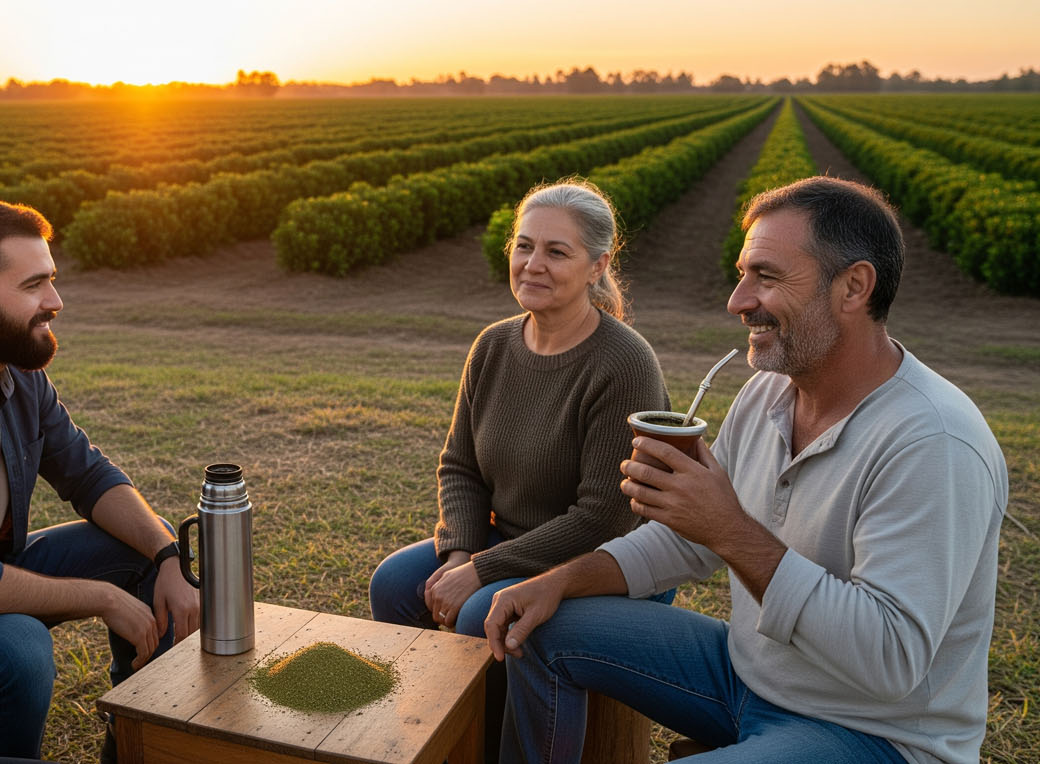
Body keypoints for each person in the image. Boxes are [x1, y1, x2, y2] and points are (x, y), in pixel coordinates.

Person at [485, 176, 1007, 764]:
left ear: (854, 287)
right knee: (537, 625)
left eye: (768, 276)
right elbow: (683, 541)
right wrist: (559, 580)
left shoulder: (932, 441)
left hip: (873, 732)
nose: (738, 300)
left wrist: (729, 527)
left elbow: (891, 662)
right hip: (745, 677)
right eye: (742, 274)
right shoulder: (768, 394)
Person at [0, 198, 200, 759]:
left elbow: (88, 473)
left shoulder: (19, 377)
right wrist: (99, 597)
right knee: (18, 646)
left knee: (136, 552)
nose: (55, 302)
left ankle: (142, 747)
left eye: (51, 281)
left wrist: (169, 555)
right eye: (34, 285)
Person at [370, 179, 670, 637]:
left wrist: (480, 571)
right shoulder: (492, 346)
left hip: (602, 560)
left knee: (477, 612)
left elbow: (604, 518)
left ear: (597, 266)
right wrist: (458, 554)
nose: (533, 265)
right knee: (393, 585)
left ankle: (492, 709)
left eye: (556, 252)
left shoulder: (624, 363)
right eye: (524, 246)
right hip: (509, 542)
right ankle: (439, 708)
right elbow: (460, 467)